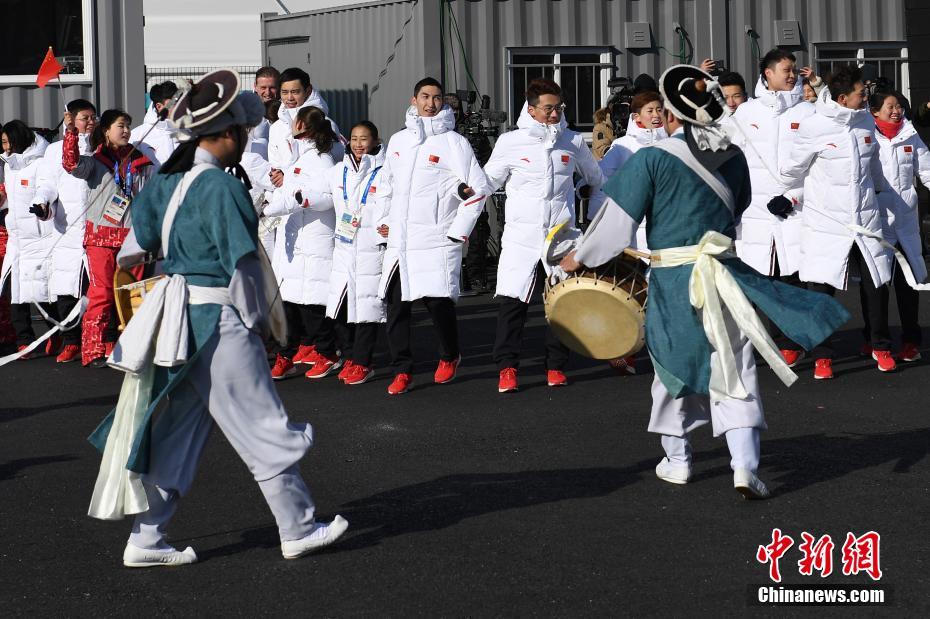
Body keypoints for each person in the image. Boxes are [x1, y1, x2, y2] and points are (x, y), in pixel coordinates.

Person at [88, 69, 347, 567]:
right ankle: (297, 526)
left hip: (175, 321)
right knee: (262, 424)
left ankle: (145, 539)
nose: (246, 138)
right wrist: (261, 327)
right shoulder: (222, 189)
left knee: (180, 433)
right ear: (227, 133)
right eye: (243, 131)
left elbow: (131, 251)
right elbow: (244, 264)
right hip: (218, 321)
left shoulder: (164, 184)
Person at [561, 64, 848, 499]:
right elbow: (737, 210)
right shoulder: (732, 157)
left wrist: (578, 258)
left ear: (672, 115)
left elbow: (615, 227)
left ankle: (678, 462)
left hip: (675, 280)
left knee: (672, 369)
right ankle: (745, 466)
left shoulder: (651, 159)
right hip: (725, 272)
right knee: (734, 368)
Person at [483, 78, 604, 392]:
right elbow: (487, 182)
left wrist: (582, 189)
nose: (554, 114)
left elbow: (595, 178)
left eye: (558, 108)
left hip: (560, 237)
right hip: (520, 238)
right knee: (513, 304)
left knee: (559, 304)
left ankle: (556, 366)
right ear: (532, 109)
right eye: (548, 108)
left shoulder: (573, 141)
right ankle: (507, 368)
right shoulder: (511, 142)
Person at [376, 77, 492, 395]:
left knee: (436, 303)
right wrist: (381, 223)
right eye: (424, 97)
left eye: (437, 97)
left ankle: (449, 355)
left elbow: (478, 189)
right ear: (413, 100)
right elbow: (385, 187)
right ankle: (403, 370)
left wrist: (458, 232)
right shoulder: (399, 141)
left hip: (436, 240)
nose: (431, 103)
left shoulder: (454, 143)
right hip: (400, 241)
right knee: (395, 304)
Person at [781, 65, 894, 378]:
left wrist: (883, 195)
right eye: (861, 93)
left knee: (877, 283)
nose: (866, 96)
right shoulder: (814, 126)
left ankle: (880, 345)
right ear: (843, 98)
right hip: (826, 221)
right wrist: (791, 197)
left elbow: (873, 170)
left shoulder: (865, 123)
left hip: (866, 218)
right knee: (821, 289)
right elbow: (792, 170)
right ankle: (822, 354)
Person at [48, 109, 155, 367]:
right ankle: (93, 350)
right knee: (103, 294)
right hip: (101, 239)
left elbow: (151, 198)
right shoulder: (95, 162)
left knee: (131, 295)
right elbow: (71, 164)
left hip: (132, 238)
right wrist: (72, 133)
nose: (126, 130)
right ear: (106, 130)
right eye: (121, 125)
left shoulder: (141, 161)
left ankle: (130, 348)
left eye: (128, 125)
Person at [731, 48, 816, 368]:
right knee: (753, 279)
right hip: (754, 212)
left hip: (793, 210)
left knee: (790, 278)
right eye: (785, 69)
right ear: (767, 73)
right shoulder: (746, 113)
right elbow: (729, 160)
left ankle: (791, 341)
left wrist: (794, 196)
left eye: (793, 69)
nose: (792, 74)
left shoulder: (807, 113)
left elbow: (819, 168)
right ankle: (749, 340)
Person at [264, 106, 340, 380]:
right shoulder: (301, 158)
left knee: (312, 306)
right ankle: (286, 355)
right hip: (295, 240)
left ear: (301, 126)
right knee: (290, 304)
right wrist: (270, 206)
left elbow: (327, 197)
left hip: (314, 240)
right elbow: (287, 193)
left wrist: (300, 199)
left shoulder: (321, 160)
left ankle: (328, 353)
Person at [31, 99, 98, 363]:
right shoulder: (55, 150)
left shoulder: (100, 147)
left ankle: (97, 338)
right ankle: (71, 340)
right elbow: (47, 183)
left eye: (93, 117)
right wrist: (42, 203)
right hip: (67, 228)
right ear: (70, 119)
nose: (90, 122)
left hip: (96, 228)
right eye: (84, 117)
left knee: (96, 289)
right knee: (66, 288)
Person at [324, 120, 386, 385]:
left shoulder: (385, 170)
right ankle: (350, 356)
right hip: (345, 246)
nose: (359, 144)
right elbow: (322, 195)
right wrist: (299, 197)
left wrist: (389, 227)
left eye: (364, 139)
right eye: (355, 138)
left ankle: (363, 362)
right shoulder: (339, 171)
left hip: (371, 248)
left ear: (374, 141)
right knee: (338, 308)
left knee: (367, 308)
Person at [870, 90, 930, 362]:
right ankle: (878, 342)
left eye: (899, 106)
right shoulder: (865, 135)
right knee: (877, 286)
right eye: (890, 107)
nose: (896, 111)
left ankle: (910, 340)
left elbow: (926, 170)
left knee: (909, 284)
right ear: (875, 111)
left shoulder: (910, 134)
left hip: (905, 221)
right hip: (876, 221)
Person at [0, 121, 61, 357]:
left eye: (6, 142)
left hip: (37, 237)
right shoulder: (9, 164)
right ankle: (24, 340)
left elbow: (46, 188)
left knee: (40, 291)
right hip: (16, 238)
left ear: (17, 140)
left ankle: (57, 334)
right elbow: (13, 199)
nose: (4, 147)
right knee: (14, 291)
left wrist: (41, 204)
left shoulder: (40, 162)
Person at [268, 67, 342, 176]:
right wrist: (278, 174)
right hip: (284, 190)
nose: (289, 98)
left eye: (295, 92)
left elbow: (330, 161)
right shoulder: (276, 127)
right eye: (284, 92)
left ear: (308, 91)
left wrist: (289, 176)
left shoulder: (324, 123)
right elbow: (274, 164)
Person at [129, 81, 179, 167]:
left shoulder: (190, 132)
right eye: (173, 104)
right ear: (159, 106)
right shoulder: (137, 136)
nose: (178, 106)